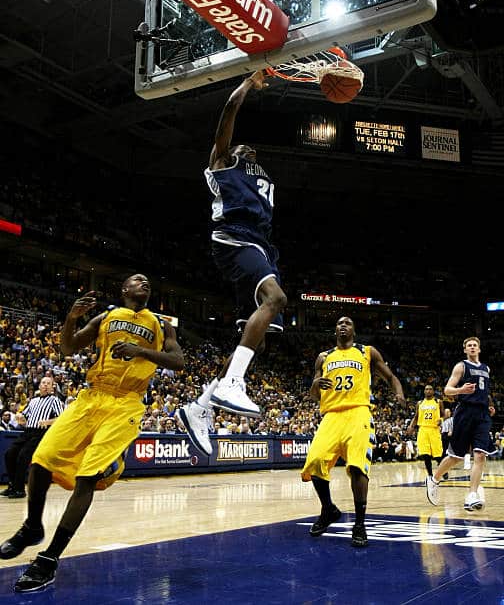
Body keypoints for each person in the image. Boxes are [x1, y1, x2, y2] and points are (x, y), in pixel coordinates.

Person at [0, 274, 184, 592]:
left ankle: (48, 559)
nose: (145, 283)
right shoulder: (106, 316)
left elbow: (177, 360)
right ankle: (32, 526)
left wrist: (140, 352)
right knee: (41, 460)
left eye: (147, 282)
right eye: (137, 280)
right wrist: (71, 319)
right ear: (124, 289)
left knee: (87, 477)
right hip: (91, 396)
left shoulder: (160, 324)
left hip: (125, 403)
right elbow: (68, 346)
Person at [176, 70, 287, 456]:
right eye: (241, 147)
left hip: (260, 245)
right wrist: (246, 86)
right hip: (235, 237)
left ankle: (200, 407)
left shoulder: (262, 177)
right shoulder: (224, 163)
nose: (248, 149)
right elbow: (227, 113)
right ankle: (230, 385)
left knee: (257, 335)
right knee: (276, 299)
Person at [300, 316, 405, 547]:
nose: (343, 325)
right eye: (339, 323)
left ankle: (359, 524)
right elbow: (313, 394)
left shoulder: (367, 352)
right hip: (331, 415)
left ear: (354, 330)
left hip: (358, 412)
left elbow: (389, 376)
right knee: (315, 461)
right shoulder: (324, 357)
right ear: (335, 330)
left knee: (357, 467)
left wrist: (398, 392)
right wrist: (316, 385)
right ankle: (328, 509)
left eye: (348, 322)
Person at [426, 336, 495, 511]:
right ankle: (434, 479)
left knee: (480, 455)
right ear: (465, 350)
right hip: (465, 412)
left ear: (479, 349)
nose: (472, 348)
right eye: (469, 346)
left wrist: (489, 406)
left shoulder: (486, 368)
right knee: (456, 456)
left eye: (475, 345)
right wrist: (461, 390)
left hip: (482, 414)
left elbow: (484, 391)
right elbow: (447, 390)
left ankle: (472, 494)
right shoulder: (461, 366)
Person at [0, 376, 64, 499]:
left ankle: (19, 489)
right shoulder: (33, 401)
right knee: (9, 454)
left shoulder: (54, 400)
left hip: (40, 433)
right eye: (43, 383)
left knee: (23, 456)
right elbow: (24, 416)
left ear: (52, 387)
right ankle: (12, 485)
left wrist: (48, 421)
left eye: (48, 383)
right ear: (39, 386)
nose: (45, 385)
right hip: (27, 431)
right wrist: (20, 417)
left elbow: (62, 418)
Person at [406, 385, 444, 478]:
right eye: (426, 389)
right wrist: (411, 426)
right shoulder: (420, 403)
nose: (428, 391)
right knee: (425, 454)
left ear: (433, 391)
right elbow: (416, 417)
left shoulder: (438, 402)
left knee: (437, 455)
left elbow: (443, 414)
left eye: (430, 389)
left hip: (434, 429)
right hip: (423, 429)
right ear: (424, 391)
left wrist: (441, 420)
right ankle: (430, 475)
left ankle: (444, 471)